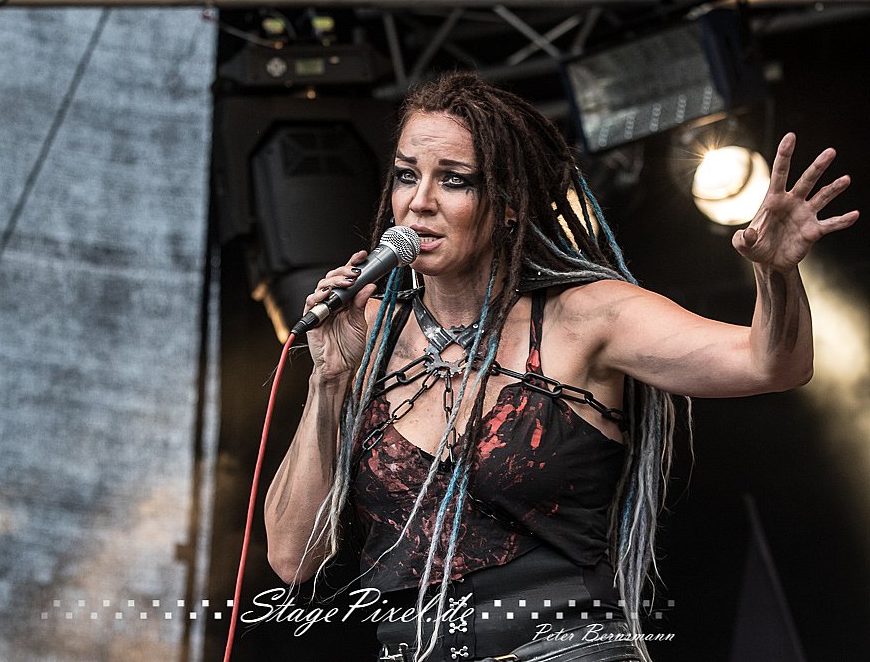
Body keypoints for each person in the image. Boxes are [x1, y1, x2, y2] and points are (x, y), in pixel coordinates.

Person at [262, 72, 858, 662]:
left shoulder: (585, 318)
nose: (419, 202)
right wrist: (328, 380)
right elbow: (292, 557)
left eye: (455, 180)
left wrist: (776, 273)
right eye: (406, 175)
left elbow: (770, 364)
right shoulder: (369, 338)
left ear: (510, 204)